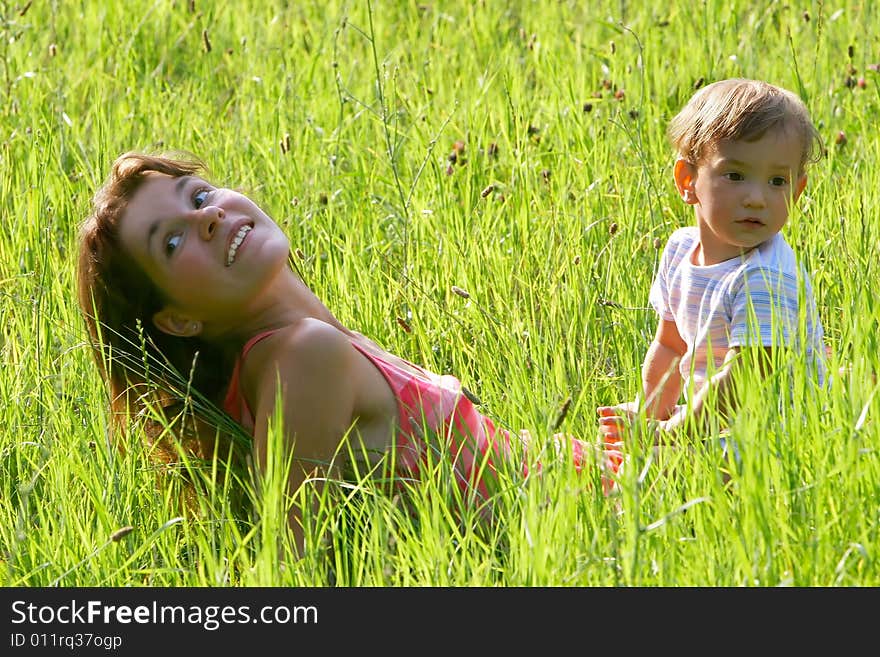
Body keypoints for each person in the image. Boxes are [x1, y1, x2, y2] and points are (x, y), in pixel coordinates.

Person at [77, 151, 611, 555]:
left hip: (593, 481)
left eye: (197, 196)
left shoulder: (294, 350)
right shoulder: (305, 356)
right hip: (594, 523)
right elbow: (290, 567)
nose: (208, 216)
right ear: (178, 320)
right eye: (171, 242)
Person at [598, 78, 826, 467]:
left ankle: (605, 479)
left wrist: (674, 433)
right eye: (735, 175)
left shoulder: (766, 276)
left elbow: (747, 378)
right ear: (688, 182)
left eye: (777, 181)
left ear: (797, 191)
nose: (757, 196)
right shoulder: (680, 250)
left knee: (666, 469)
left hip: (781, 436)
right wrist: (654, 413)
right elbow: (671, 345)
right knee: (630, 441)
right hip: (716, 423)